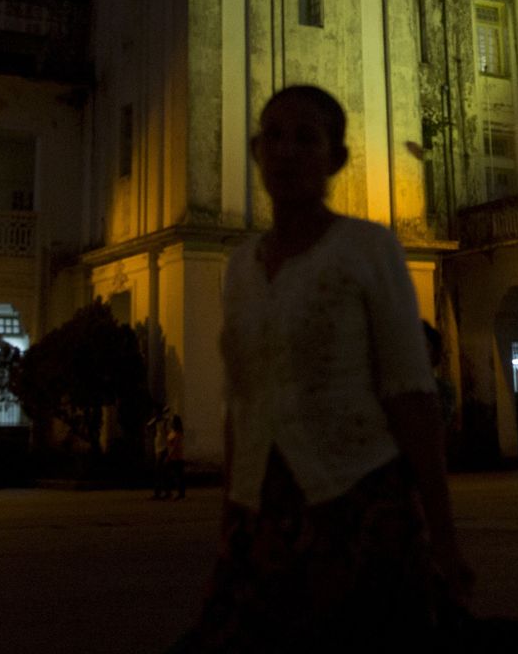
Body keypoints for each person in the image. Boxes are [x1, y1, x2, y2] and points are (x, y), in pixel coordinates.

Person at [173, 85, 472, 651]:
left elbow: (411, 395)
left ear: (335, 158)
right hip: (261, 517)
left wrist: (444, 538)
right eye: (274, 138)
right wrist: (230, 526)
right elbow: (242, 404)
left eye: (306, 138)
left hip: (360, 508)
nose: (287, 152)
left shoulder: (369, 249)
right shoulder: (238, 268)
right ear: (257, 151)